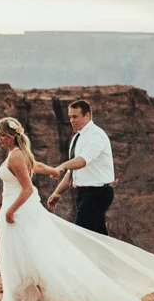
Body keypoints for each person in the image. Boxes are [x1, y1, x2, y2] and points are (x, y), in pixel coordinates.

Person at [0, 116, 154, 301]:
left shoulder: (16, 156)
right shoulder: (19, 154)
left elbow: (28, 189)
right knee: (21, 255)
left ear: (13, 137)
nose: (0, 138)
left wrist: (10, 211)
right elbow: (35, 166)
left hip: (20, 212)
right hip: (22, 210)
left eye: (3, 135)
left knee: (19, 256)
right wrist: (54, 170)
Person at [48, 98, 115, 236]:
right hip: (84, 194)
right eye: (70, 117)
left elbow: (83, 161)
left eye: (75, 116)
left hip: (97, 193)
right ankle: (106, 258)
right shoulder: (78, 138)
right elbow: (73, 172)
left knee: (80, 236)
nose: (72, 120)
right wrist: (57, 192)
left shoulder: (96, 135)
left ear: (87, 115)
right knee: (99, 239)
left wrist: (62, 166)